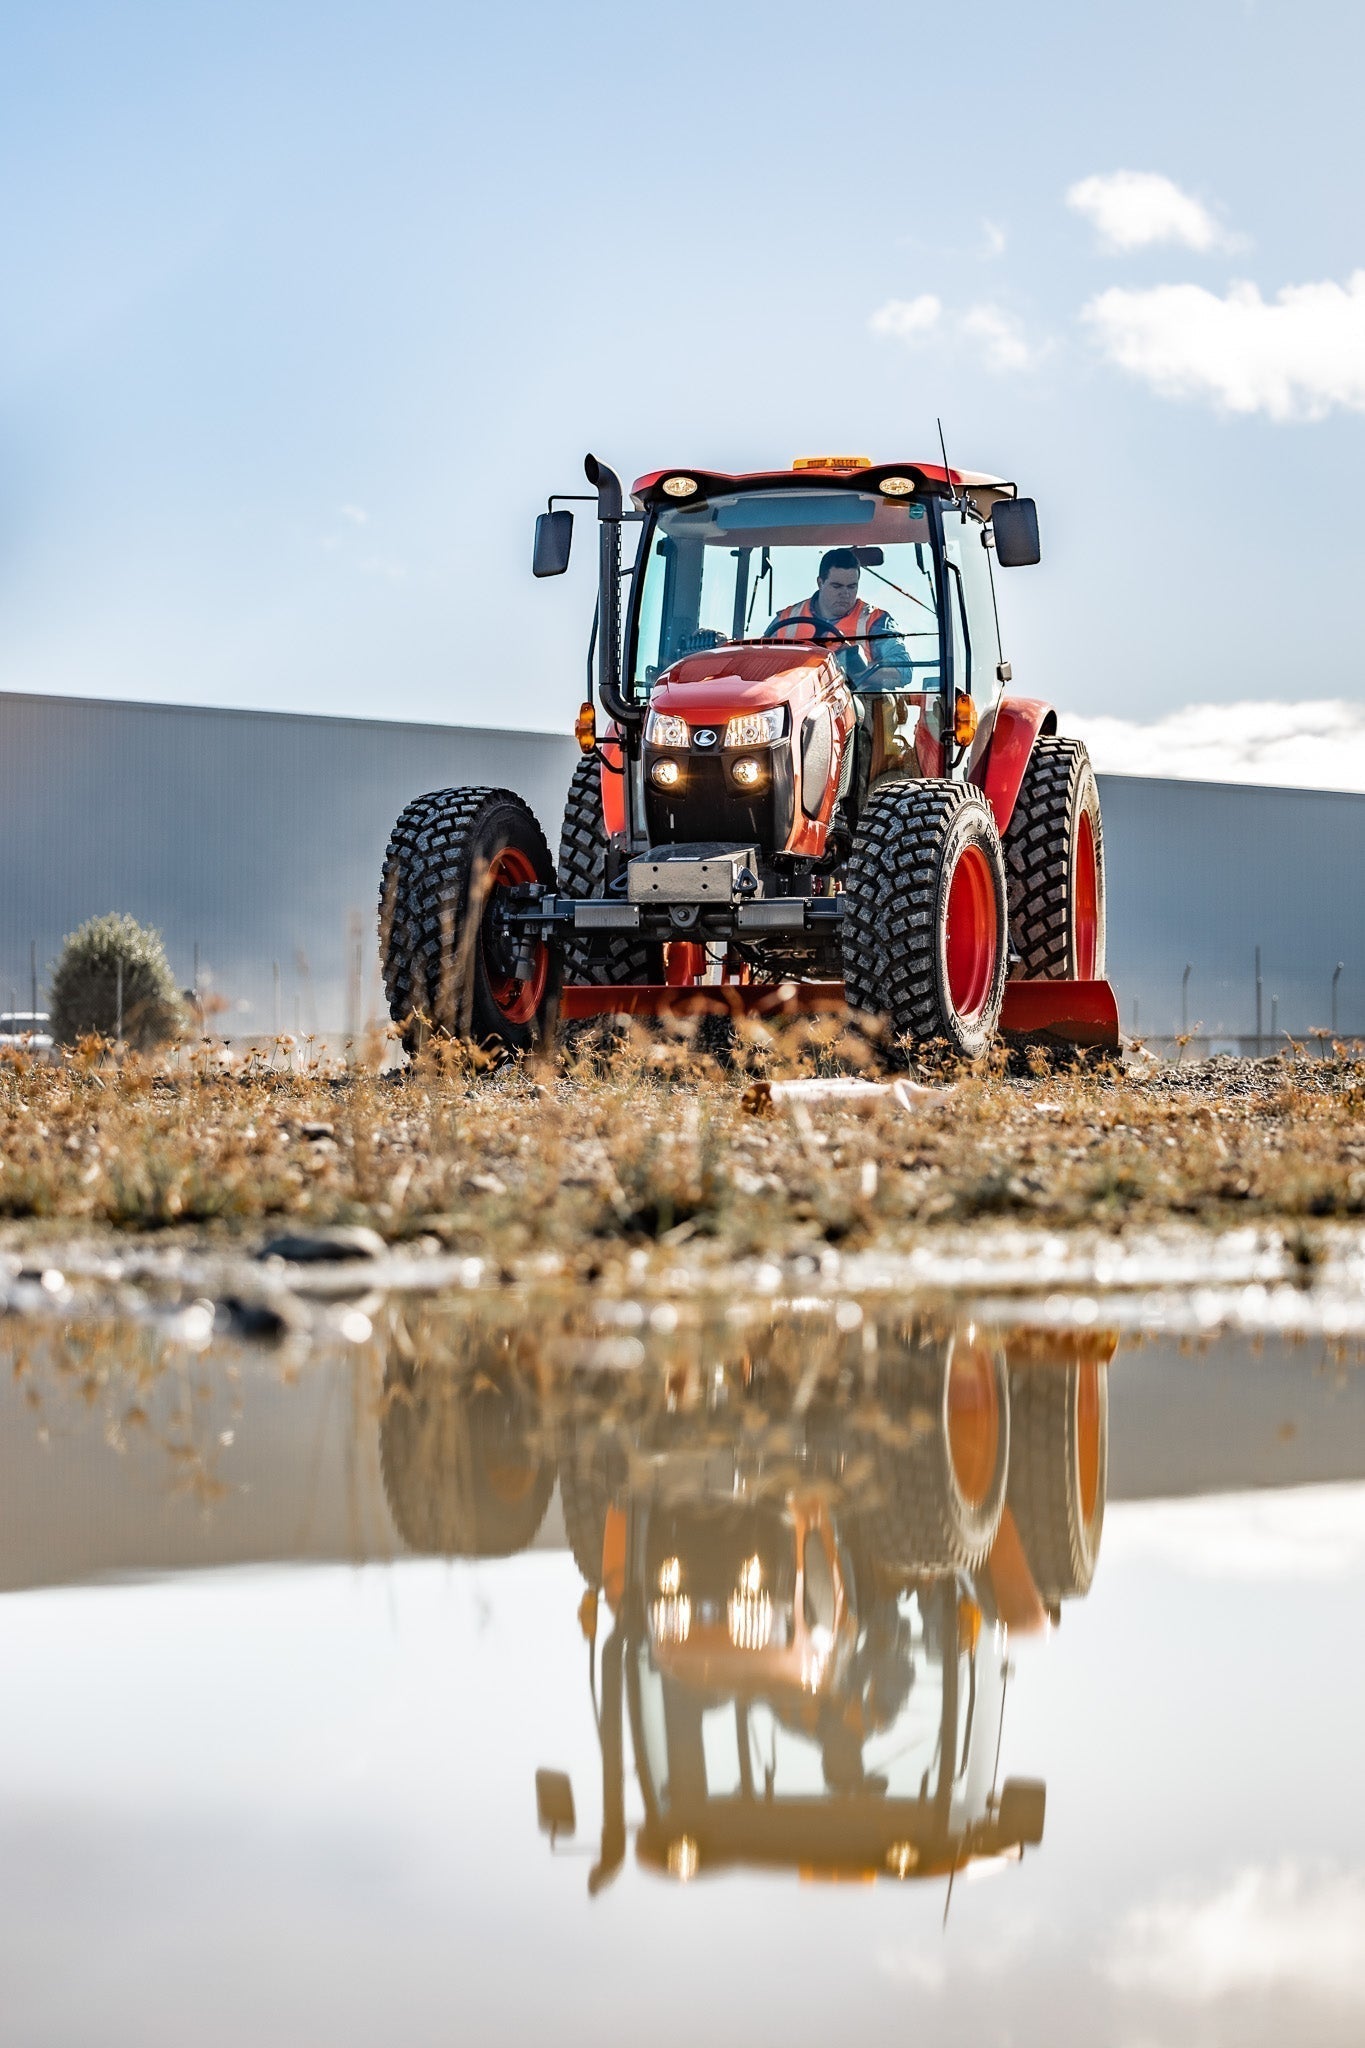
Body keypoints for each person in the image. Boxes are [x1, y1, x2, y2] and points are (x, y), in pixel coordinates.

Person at [763, 548, 912, 690]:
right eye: (837, 586)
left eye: (852, 586)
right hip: (795, 705)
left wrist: (856, 666)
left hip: (856, 710)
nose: (845, 593)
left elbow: (903, 672)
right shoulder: (787, 618)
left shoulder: (875, 621)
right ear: (820, 583)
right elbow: (757, 660)